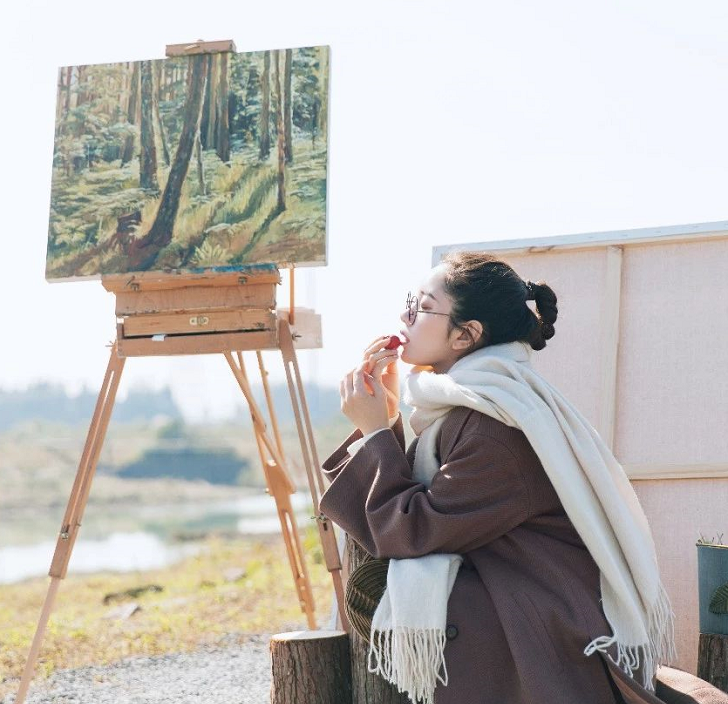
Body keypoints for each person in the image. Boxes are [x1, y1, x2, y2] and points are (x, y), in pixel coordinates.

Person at [318, 251, 684, 704]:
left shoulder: (491, 424)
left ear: (466, 335)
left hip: (540, 614)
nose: (404, 315)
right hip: (516, 587)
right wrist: (386, 416)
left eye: (421, 306)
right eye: (409, 301)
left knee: (372, 590)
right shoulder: (479, 400)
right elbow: (419, 508)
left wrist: (377, 429)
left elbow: (412, 530)